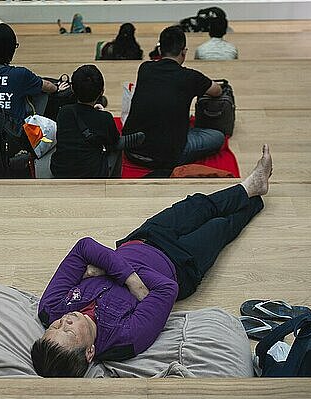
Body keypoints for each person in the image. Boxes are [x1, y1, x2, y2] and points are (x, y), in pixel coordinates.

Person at [31, 144, 273, 377]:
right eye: (68, 332)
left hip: (140, 239)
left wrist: (122, 275)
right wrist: (119, 273)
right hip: (180, 264)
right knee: (220, 227)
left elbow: (84, 246)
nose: (63, 321)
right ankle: (255, 200)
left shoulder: (50, 308)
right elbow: (167, 289)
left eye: (54, 328)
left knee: (197, 205)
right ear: (89, 352)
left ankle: (251, 186)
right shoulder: (126, 339)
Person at [121, 25, 224, 171]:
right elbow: (217, 90)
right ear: (184, 52)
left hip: (131, 150)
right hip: (166, 157)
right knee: (217, 137)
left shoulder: (145, 68)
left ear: (159, 50)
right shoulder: (191, 77)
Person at [0, 22, 67, 153]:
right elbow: (47, 86)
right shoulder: (20, 74)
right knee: (36, 98)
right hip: (10, 144)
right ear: (11, 50)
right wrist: (57, 88)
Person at [50, 65, 120, 178]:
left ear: (72, 89)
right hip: (92, 173)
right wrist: (101, 114)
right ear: (102, 91)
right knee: (117, 150)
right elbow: (114, 142)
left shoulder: (64, 112)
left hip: (60, 170)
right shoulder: (105, 118)